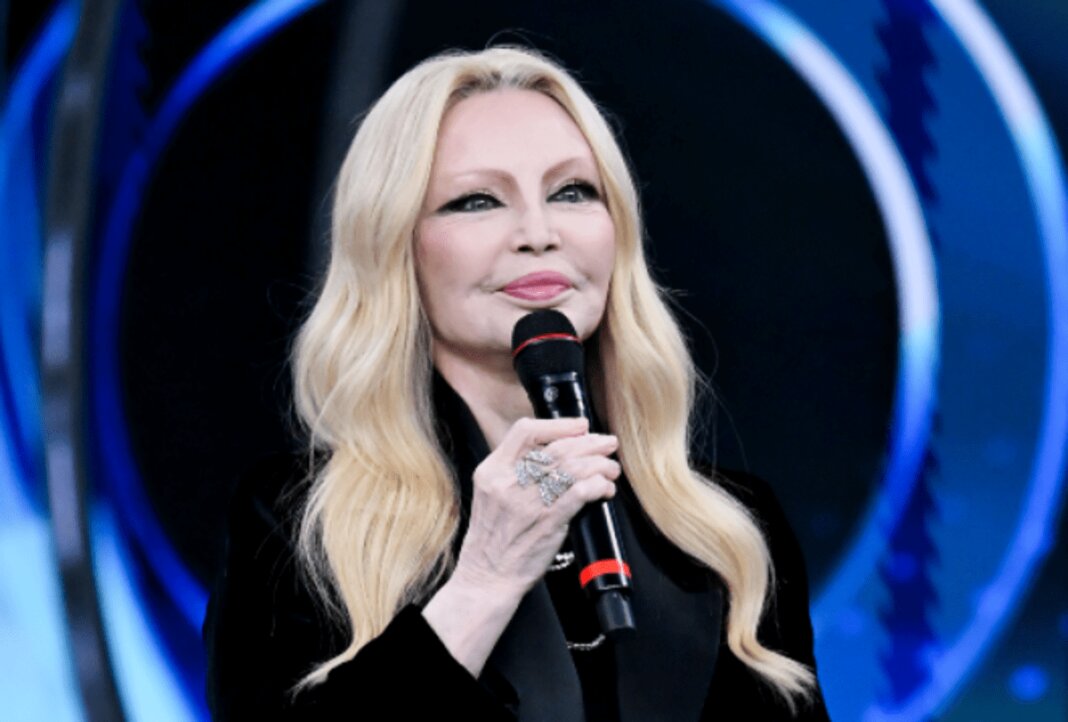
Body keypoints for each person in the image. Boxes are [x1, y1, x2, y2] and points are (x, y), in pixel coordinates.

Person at [204, 46, 830, 720]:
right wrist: (485, 580)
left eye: (572, 192)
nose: (538, 233)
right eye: (476, 201)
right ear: (396, 247)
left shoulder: (730, 532)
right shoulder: (301, 526)